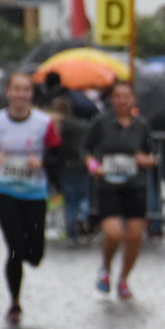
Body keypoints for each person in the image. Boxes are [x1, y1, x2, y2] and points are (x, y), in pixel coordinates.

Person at [0, 74, 60, 324]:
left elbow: (59, 155)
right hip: (3, 192)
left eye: (26, 90)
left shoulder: (44, 123)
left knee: (35, 253)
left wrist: (42, 162)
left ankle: (30, 255)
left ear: (31, 94)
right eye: (16, 89)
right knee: (14, 249)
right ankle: (14, 302)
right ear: (8, 92)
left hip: (34, 193)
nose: (21, 94)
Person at [83, 81, 157, 300]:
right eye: (118, 96)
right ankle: (105, 267)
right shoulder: (101, 123)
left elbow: (153, 155)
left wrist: (146, 160)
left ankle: (124, 278)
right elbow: (85, 149)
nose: (123, 100)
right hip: (108, 186)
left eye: (127, 96)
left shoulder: (142, 125)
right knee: (114, 233)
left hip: (135, 187)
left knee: (134, 236)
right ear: (112, 99)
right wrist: (93, 165)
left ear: (133, 99)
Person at [49, 94, 93, 242]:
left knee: (70, 200)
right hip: (82, 164)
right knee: (84, 197)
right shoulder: (81, 124)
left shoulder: (55, 126)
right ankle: (83, 216)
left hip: (65, 165)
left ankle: (71, 232)